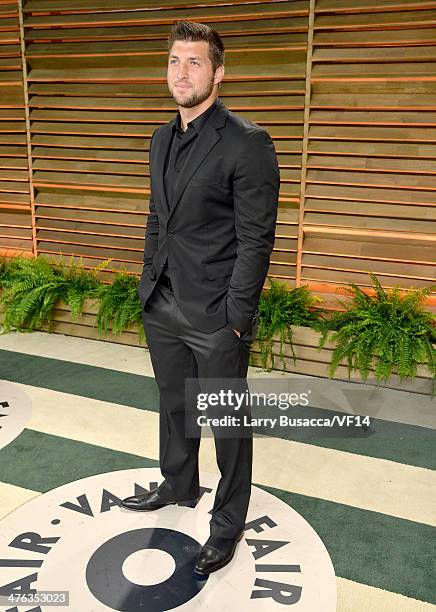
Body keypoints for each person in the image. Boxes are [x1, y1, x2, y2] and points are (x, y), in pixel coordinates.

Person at [121, 19, 280, 575]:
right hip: (163, 303)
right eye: (174, 61)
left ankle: (227, 522)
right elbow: (156, 218)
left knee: (227, 422)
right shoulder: (161, 138)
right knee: (175, 405)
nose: (181, 72)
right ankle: (178, 484)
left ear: (218, 72)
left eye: (194, 62)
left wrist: (236, 318)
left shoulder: (247, 142)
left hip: (216, 315)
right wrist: (149, 280)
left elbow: (257, 238)